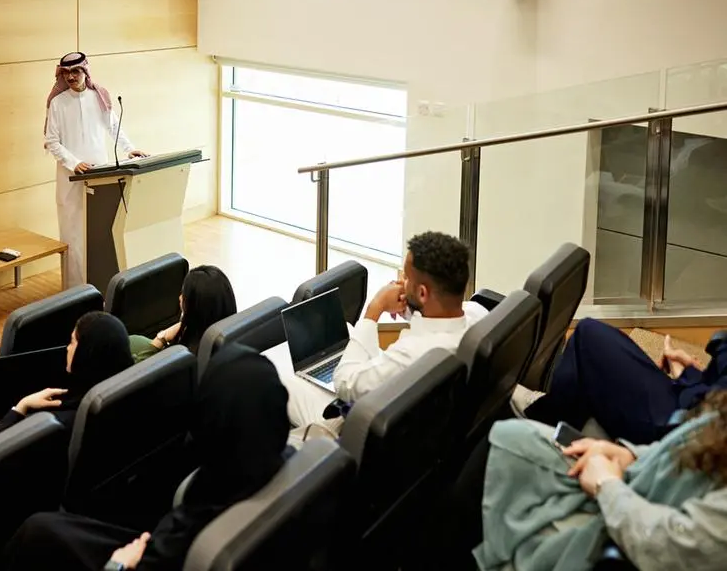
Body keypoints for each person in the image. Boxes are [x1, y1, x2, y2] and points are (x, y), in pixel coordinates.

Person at [2, 346, 291, 571]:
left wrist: (119, 563)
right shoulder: (284, 462)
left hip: (139, 559)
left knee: (37, 535)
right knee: (44, 529)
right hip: (154, 545)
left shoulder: (194, 523)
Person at [472, 390, 727, 571]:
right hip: (639, 485)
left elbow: (675, 547)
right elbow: (699, 441)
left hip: (636, 526)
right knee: (511, 436)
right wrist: (630, 455)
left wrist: (607, 485)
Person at [280, 231, 488, 432]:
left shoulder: (411, 353)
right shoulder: (478, 315)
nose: (402, 283)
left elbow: (344, 382)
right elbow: (439, 317)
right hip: (428, 420)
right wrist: (411, 307)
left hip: (359, 427)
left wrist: (375, 309)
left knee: (278, 372)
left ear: (423, 292)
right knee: (352, 331)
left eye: (406, 279)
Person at [513, 317, 727, 445]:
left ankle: (544, 424)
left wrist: (688, 379)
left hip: (685, 427)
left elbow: (716, 411)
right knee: (594, 343)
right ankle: (561, 414)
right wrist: (691, 376)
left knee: (588, 338)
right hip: (699, 400)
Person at [44, 51, 148, 288]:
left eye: (76, 71)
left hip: (100, 176)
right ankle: (74, 289)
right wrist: (73, 163)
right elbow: (52, 141)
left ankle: (102, 283)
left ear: (85, 71)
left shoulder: (99, 96)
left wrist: (129, 149)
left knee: (101, 229)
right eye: (67, 72)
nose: (71, 76)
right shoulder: (57, 103)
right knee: (73, 234)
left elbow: (113, 127)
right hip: (70, 177)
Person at [0, 311, 133, 435]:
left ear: (85, 353)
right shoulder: (127, 396)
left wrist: (22, 406)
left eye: (72, 342)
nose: (67, 348)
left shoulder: (54, 424)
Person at [129, 265, 237, 362]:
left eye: (184, 295)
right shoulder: (233, 337)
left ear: (196, 309)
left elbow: (139, 376)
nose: (180, 298)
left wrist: (161, 338)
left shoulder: (184, 356)